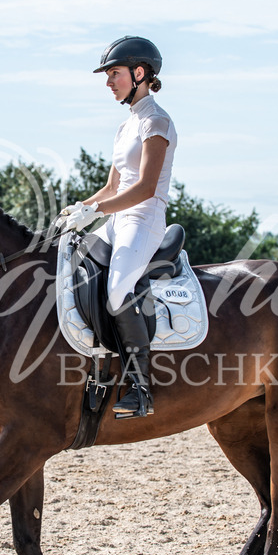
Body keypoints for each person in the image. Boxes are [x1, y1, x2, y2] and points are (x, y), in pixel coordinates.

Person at [58, 36, 177, 418]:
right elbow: (112, 187)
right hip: (116, 218)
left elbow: (143, 188)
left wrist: (97, 211)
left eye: (115, 74)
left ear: (139, 73)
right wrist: (82, 208)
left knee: (116, 290)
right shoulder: (126, 126)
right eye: (108, 75)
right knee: (69, 266)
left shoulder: (157, 121)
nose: (109, 82)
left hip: (143, 220)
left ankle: (141, 387)